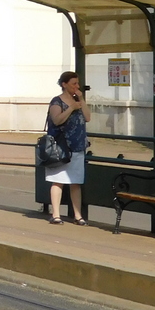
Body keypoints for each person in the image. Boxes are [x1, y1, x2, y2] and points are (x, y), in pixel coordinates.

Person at [45, 71, 91, 225]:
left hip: (77, 147)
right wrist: (71, 108)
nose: (76, 87)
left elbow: (87, 117)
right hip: (60, 148)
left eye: (77, 84)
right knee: (58, 181)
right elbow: (57, 120)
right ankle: (56, 214)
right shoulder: (57, 101)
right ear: (64, 84)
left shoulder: (77, 99)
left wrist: (81, 101)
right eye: (73, 84)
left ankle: (78, 215)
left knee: (75, 182)